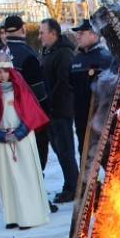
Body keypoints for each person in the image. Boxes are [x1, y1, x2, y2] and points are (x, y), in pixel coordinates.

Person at [0, 49, 53, 228]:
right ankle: (13, 217)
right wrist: (1, 136)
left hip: (23, 140)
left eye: (5, 71)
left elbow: (31, 113)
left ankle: (30, 217)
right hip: (3, 142)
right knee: (8, 179)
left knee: (26, 177)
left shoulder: (20, 88)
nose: (2, 75)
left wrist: (19, 133)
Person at [39, 18, 80, 203]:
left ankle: (73, 188)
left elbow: (63, 83)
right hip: (51, 110)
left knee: (65, 150)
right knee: (59, 149)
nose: (39, 36)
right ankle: (71, 184)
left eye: (42, 32)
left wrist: (51, 103)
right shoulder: (48, 51)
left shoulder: (63, 53)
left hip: (60, 110)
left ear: (53, 33)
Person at [71, 19, 115, 157]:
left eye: (81, 33)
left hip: (101, 118)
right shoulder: (76, 59)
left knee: (108, 156)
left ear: (94, 34)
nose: (78, 36)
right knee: (85, 155)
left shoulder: (105, 58)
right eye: (77, 33)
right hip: (81, 119)